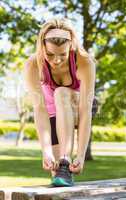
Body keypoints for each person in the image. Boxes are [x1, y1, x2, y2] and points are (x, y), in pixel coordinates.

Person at [24, 18, 96, 187]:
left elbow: (85, 111)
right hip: (53, 116)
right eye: (50, 54)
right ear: (42, 47)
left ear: (71, 47)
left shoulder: (84, 61)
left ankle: (66, 156)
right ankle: (63, 162)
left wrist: (80, 155)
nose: (56, 60)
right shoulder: (33, 65)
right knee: (59, 175)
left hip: (80, 105)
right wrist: (46, 151)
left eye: (62, 55)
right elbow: (40, 109)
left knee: (61, 92)